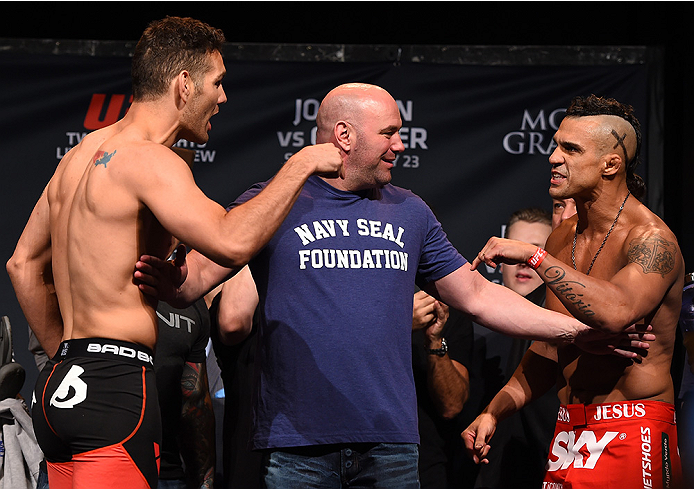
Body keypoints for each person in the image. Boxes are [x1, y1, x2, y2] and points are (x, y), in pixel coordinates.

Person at [135, 84, 647, 488]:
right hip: (296, 446)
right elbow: (193, 282)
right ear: (343, 136)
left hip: (392, 448)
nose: (400, 144)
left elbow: (479, 295)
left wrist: (577, 331)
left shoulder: (410, 211)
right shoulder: (275, 199)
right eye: (389, 133)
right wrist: (162, 277)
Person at [5, 16, 342, 489]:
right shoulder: (149, 159)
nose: (223, 98)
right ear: (184, 84)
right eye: (217, 82)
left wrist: (65, 354)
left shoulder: (80, 155)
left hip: (60, 392)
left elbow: (21, 265)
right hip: (115, 390)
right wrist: (304, 161)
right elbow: (231, 241)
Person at [464, 94, 684, 488]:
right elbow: (548, 349)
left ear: (610, 164)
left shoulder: (652, 240)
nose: (553, 157)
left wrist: (534, 256)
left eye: (570, 148)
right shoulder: (564, 236)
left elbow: (617, 312)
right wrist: (494, 411)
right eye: (555, 145)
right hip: (570, 432)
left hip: (634, 429)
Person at [473, 207, 558, 489]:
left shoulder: (568, 327)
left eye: (534, 252)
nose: (523, 262)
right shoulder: (474, 333)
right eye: (515, 250)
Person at [411, 290, 472, 488]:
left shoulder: (441, 307)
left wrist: (434, 341)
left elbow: (451, 406)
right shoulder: (345, 299)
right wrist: (399, 322)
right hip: (338, 449)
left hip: (423, 465)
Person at [155, 297, 215, 489]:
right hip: (92, 459)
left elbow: (195, 404)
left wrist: (205, 483)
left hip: (166, 472)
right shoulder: (92, 283)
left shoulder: (189, 302)